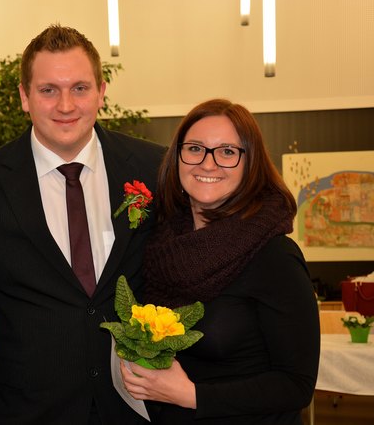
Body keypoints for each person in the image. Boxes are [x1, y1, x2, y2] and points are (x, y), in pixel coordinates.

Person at [0, 25, 165, 424]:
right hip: (25, 412)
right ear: (24, 97)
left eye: (80, 88)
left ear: (101, 92)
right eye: (48, 90)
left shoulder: (155, 168)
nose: (65, 105)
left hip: (134, 408)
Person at [120, 98, 320, 424]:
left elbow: (296, 385)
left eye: (227, 152)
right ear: (177, 158)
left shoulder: (274, 256)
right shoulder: (159, 245)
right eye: (195, 149)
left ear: (250, 164)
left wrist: (191, 395)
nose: (208, 164)